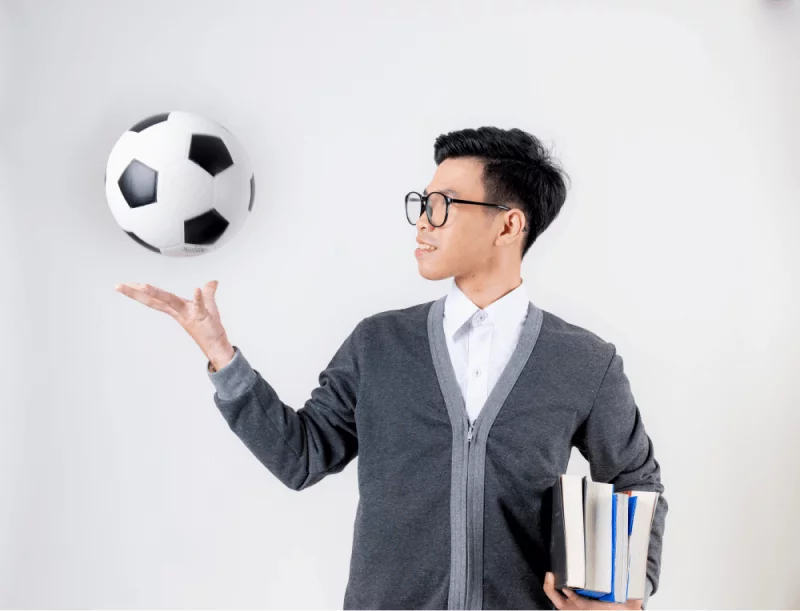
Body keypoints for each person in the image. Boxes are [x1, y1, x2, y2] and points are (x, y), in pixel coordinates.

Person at [116, 126, 667, 611]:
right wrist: (219, 352)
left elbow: (636, 479)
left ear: (508, 225)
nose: (423, 223)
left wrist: (626, 593)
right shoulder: (379, 344)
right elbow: (301, 456)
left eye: (443, 206)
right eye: (422, 204)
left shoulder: (584, 361)